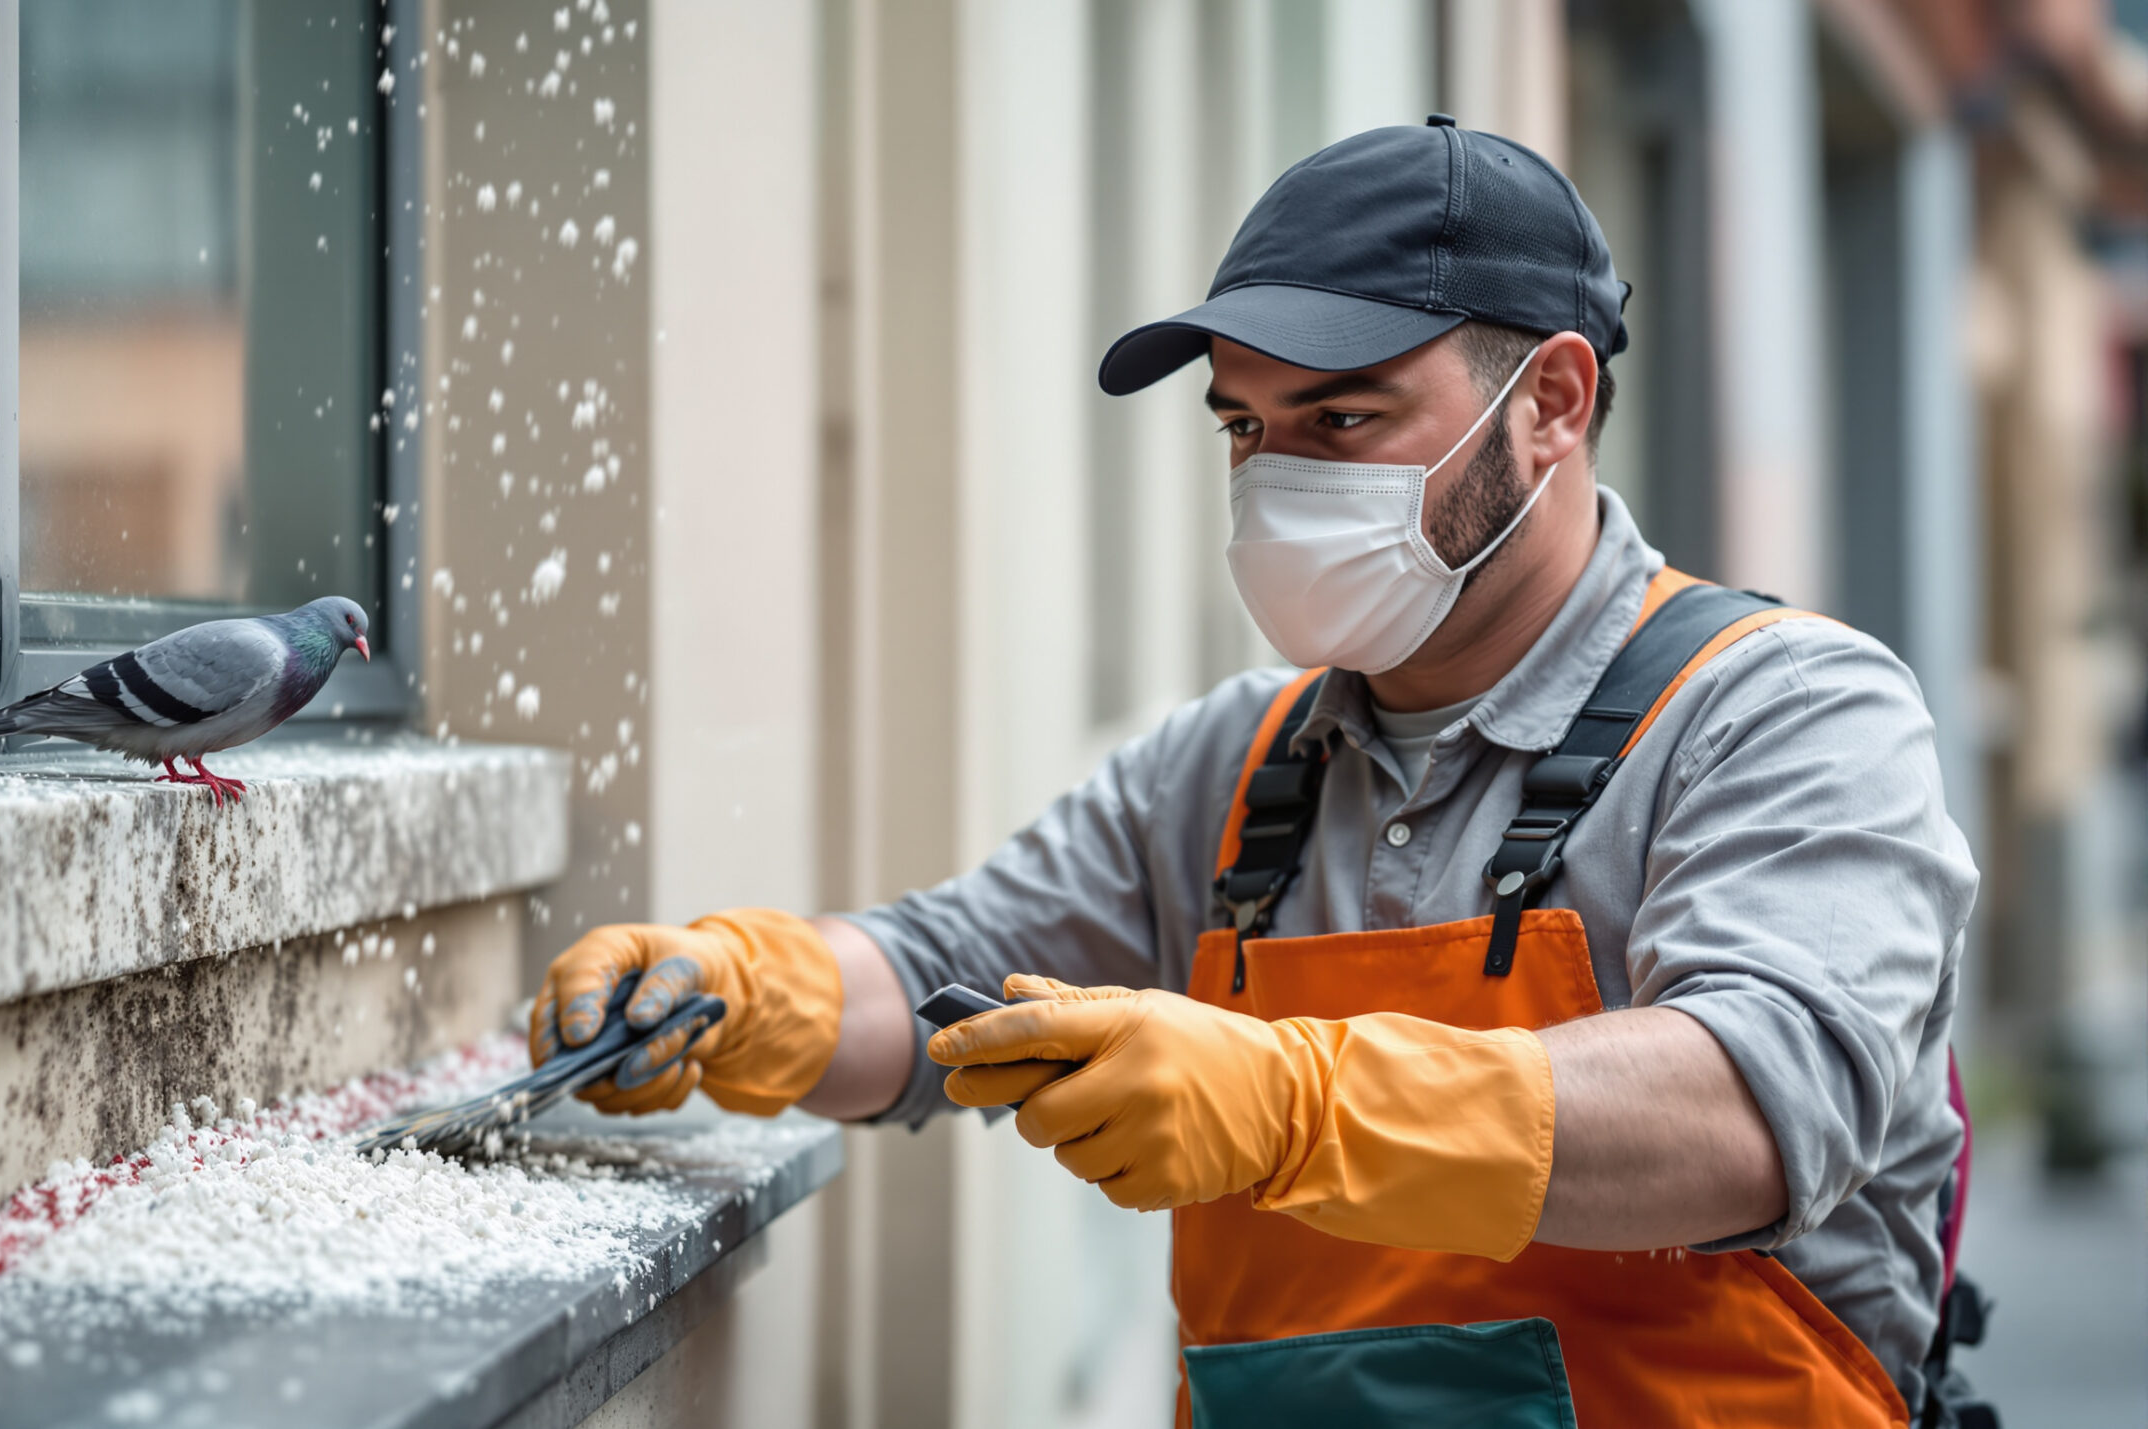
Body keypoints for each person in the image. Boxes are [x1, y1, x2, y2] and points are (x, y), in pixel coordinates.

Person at [530, 117, 1976, 1426]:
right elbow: (941, 976)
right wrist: (745, 985)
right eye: (1245, 428)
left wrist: (1292, 1105)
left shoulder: (1784, 715)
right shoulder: (1238, 766)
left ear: (1552, 399)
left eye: (1342, 421)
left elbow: (1754, 1108)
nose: (1276, 479)